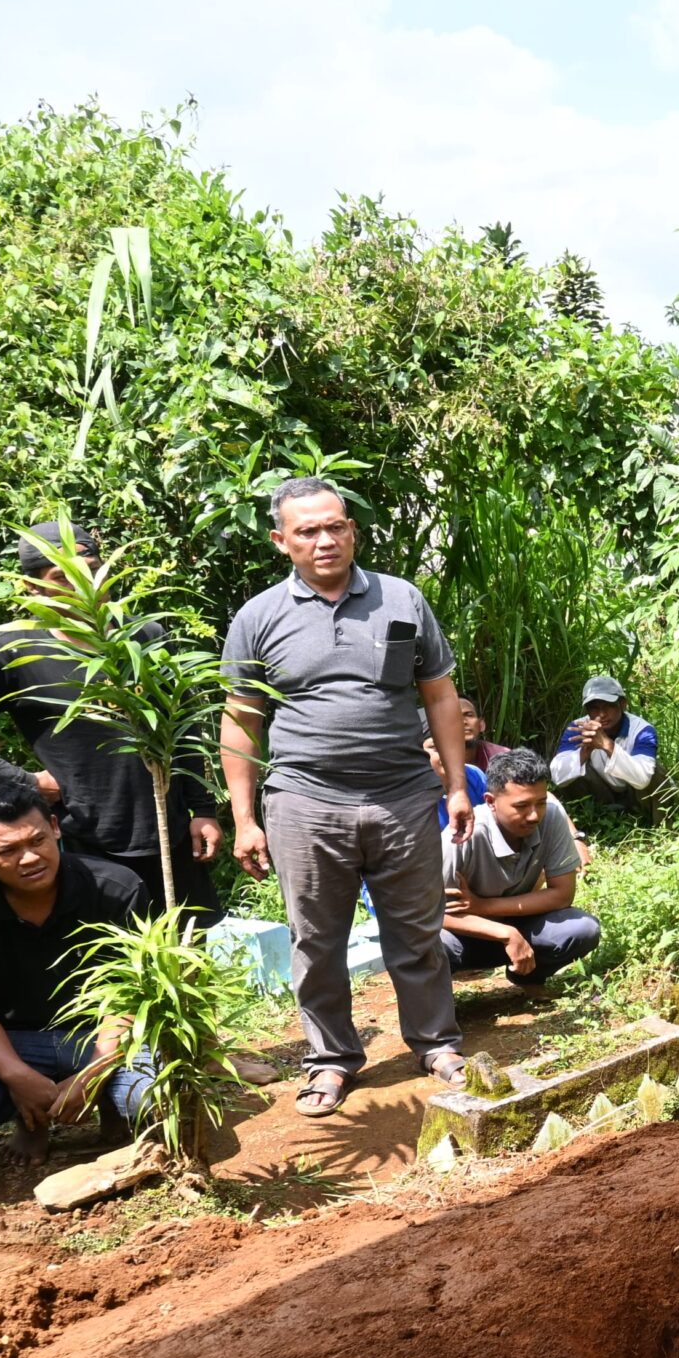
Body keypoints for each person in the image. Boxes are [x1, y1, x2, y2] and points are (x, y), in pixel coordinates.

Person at [220, 477, 476, 1118]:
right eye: (307, 531)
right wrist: (244, 818)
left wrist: (454, 785)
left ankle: (437, 1044)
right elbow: (241, 720)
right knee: (316, 940)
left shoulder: (402, 599)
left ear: (352, 530)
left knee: (416, 931)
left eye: (335, 526)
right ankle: (331, 1061)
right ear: (282, 541)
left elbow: (440, 698)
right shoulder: (258, 618)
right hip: (305, 801)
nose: (325, 540)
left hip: (401, 796)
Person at [0, 522, 224, 923]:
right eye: (62, 575)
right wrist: (23, 781)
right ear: (33, 587)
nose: (85, 581)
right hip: (82, 839)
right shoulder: (14, 649)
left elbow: (182, 723)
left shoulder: (145, 636)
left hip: (168, 832)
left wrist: (202, 808)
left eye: (93, 567)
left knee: (188, 948)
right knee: (105, 960)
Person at [0, 780, 155, 1157]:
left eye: (36, 841)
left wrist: (95, 1071)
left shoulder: (116, 888)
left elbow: (135, 993)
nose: (30, 858)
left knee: (153, 1095)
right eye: (8, 850)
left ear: (54, 826)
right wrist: (16, 1075)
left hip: (103, 1034)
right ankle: (31, 1116)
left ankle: (112, 1107)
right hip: (12, 1039)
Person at [441, 748, 600, 990]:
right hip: (464, 937)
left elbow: (562, 895)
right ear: (490, 802)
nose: (534, 815)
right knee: (428, 947)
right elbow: (431, 914)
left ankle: (528, 975)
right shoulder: (462, 837)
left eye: (541, 802)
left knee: (583, 928)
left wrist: (485, 906)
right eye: (522, 806)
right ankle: (439, 1012)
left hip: (521, 925)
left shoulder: (552, 817)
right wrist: (504, 933)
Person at [550, 675, 662, 816]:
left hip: (635, 794)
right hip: (601, 793)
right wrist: (584, 752)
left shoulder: (642, 730)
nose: (602, 714)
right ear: (586, 710)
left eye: (608, 706)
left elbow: (642, 779)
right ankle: (591, 820)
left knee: (655, 770)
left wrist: (606, 745)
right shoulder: (578, 728)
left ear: (623, 704)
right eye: (594, 708)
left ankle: (662, 826)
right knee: (571, 768)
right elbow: (557, 776)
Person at [457, 696, 513, 771]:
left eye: (469, 715)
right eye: (455, 717)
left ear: (481, 725)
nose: (464, 722)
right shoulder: (437, 761)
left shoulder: (503, 758)